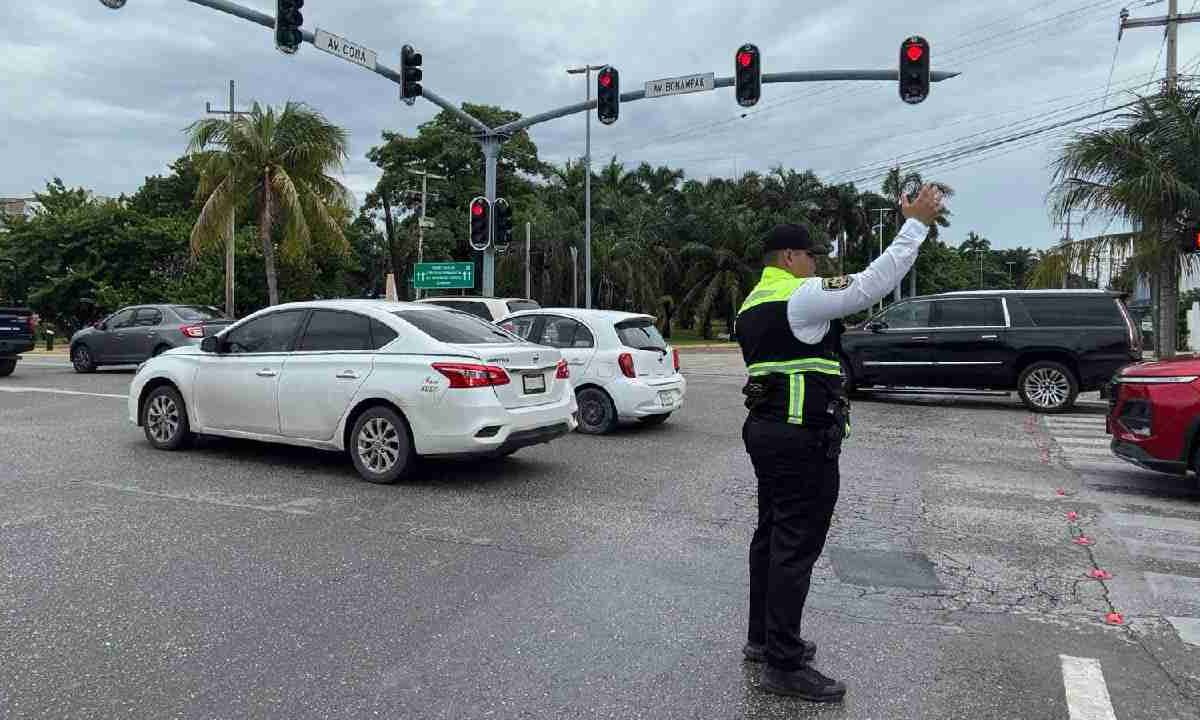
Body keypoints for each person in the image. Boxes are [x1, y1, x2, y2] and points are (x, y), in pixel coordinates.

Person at [735, 185, 945, 702]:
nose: (815, 265)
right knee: (795, 546)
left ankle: (762, 640)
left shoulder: (751, 303)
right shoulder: (800, 295)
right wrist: (915, 223)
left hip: (767, 432)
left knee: (771, 536)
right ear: (790, 257)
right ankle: (783, 666)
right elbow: (872, 283)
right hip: (802, 437)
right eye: (811, 256)